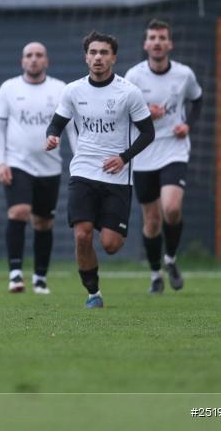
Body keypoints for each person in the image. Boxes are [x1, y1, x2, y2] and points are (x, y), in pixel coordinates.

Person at [45, 31, 155, 308]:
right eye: (93, 52)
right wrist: (52, 136)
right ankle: (93, 292)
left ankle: (104, 236)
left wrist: (124, 157)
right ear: (86, 57)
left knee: (110, 244)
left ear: (113, 58)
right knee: (82, 234)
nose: (98, 57)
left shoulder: (128, 92)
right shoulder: (73, 90)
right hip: (83, 170)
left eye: (104, 53)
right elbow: (57, 122)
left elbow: (148, 133)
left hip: (116, 176)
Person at [124, 20, 203, 293]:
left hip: (174, 149)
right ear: (146, 44)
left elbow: (197, 99)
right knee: (152, 220)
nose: (157, 42)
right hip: (144, 153)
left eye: (162, 38)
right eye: (152, 38)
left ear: (170, 43)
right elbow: (123, 114)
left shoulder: (184, 75)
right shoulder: (133, 77)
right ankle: (156, 273)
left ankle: (171, 258)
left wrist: (188, 124)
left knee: (171, 208)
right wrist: (146, 113)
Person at [0, 42, 73, 295]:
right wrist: (1, 161)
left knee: (43, 222)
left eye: (39, 55)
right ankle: (15, 274)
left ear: (46, 61)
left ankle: (40, 278)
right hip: (18, 163)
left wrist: (79, 159)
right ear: (22, 61)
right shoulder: (9, 88)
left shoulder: (61, 90)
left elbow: (71, 128)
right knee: (19, 211)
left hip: (49, 168)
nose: (34, 59)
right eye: (29, 55)